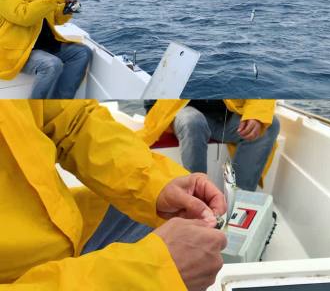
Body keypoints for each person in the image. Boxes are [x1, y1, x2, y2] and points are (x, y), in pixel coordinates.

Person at [0, 100, 228, 290]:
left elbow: (73, 120)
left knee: (179, 218)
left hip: (67, 230)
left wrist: (158, 185)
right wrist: (151, 274)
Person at [0, 0, 92, 98]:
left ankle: (59, 103)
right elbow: (24, 16)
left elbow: (55, 18)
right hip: (20, 51)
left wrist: (66, 9)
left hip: (46, 46)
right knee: (51, 64)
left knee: (82, 52)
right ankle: (35, 112)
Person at [140, 100, 280, 191]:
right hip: (186, 113)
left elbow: (256, 83)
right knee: (193, 122)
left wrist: (255, 115)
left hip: (227, 117)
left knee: (269, 124)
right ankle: (197, 201)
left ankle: (239, 203)